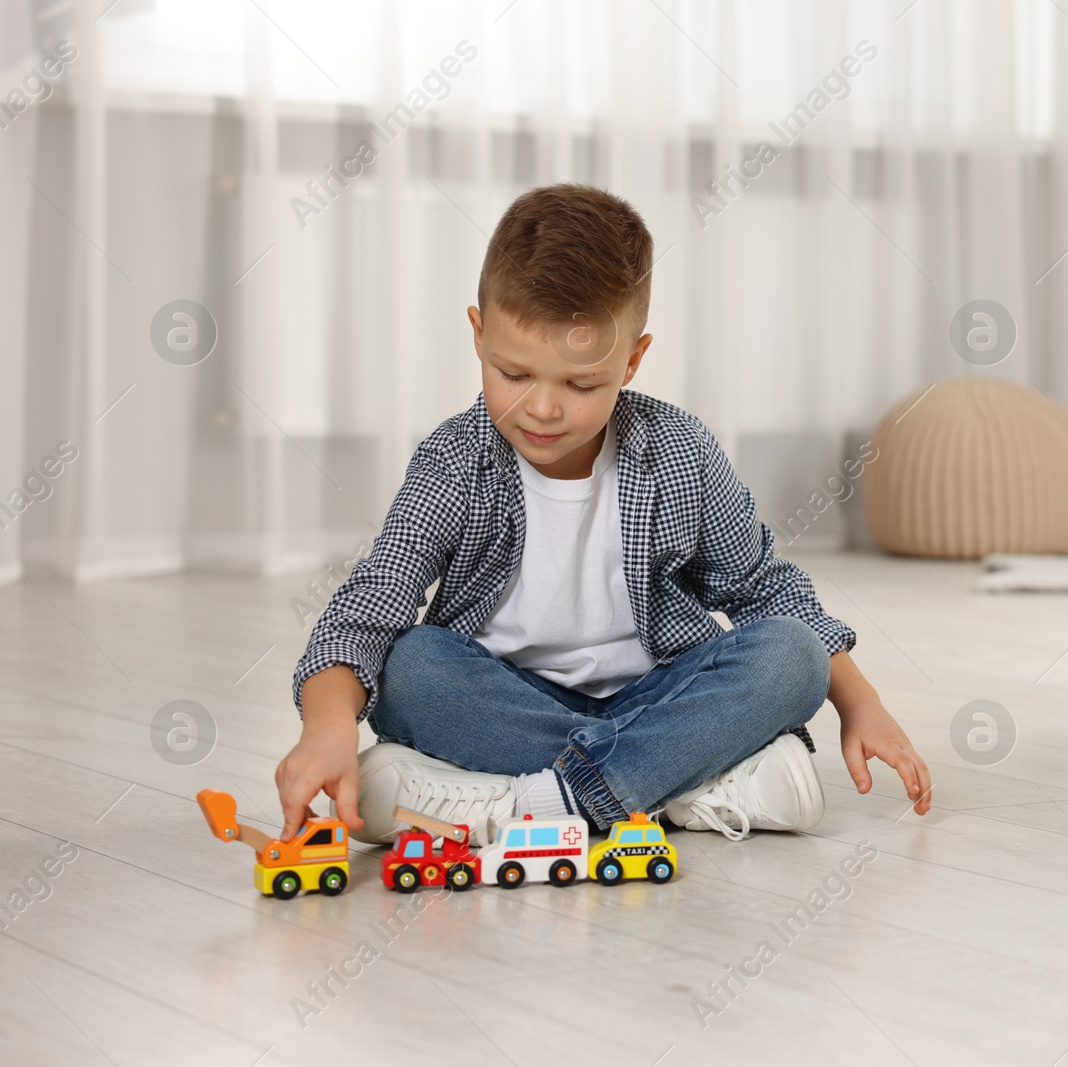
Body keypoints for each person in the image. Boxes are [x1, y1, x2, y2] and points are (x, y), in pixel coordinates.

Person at [274, 183, 931, 848]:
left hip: (659, 695)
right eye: (513, 372)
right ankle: (680, 783)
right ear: (479, 335)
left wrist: (860, 703)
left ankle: (533, 798)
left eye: (581, 384)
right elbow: (370, 605)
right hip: (508, 702)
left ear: (632, 361)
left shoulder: (680, 451)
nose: (542, 408)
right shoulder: (453, 462)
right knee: (409, 668)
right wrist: (326, 729)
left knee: (794, 655)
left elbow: (764, 590)